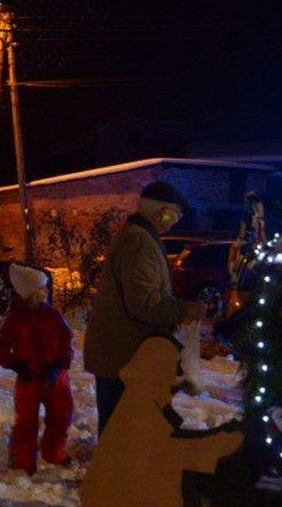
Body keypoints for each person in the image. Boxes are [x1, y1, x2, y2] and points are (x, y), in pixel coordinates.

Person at [84, 181, 207, 435]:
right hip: (124, 356)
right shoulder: (139, 241)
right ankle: (114, 463)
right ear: (162, 211)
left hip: (121, 355)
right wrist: (185, 309)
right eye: (175, 213)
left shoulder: (138, 236)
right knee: (122, 431)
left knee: (119, 428)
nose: (176, 221)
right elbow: (143, 302)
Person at [0, 263, 75, 475]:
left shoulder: (54, 316)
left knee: (61, 415)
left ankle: (55, 453)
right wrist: (15, 364)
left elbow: (67, 342)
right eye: (41, 288)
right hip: (29, 376)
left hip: (55, 376)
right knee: (26, 420)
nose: (45, 291)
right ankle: (23, 462)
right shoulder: (14, 319)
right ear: (29, 292)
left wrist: (60, 364)